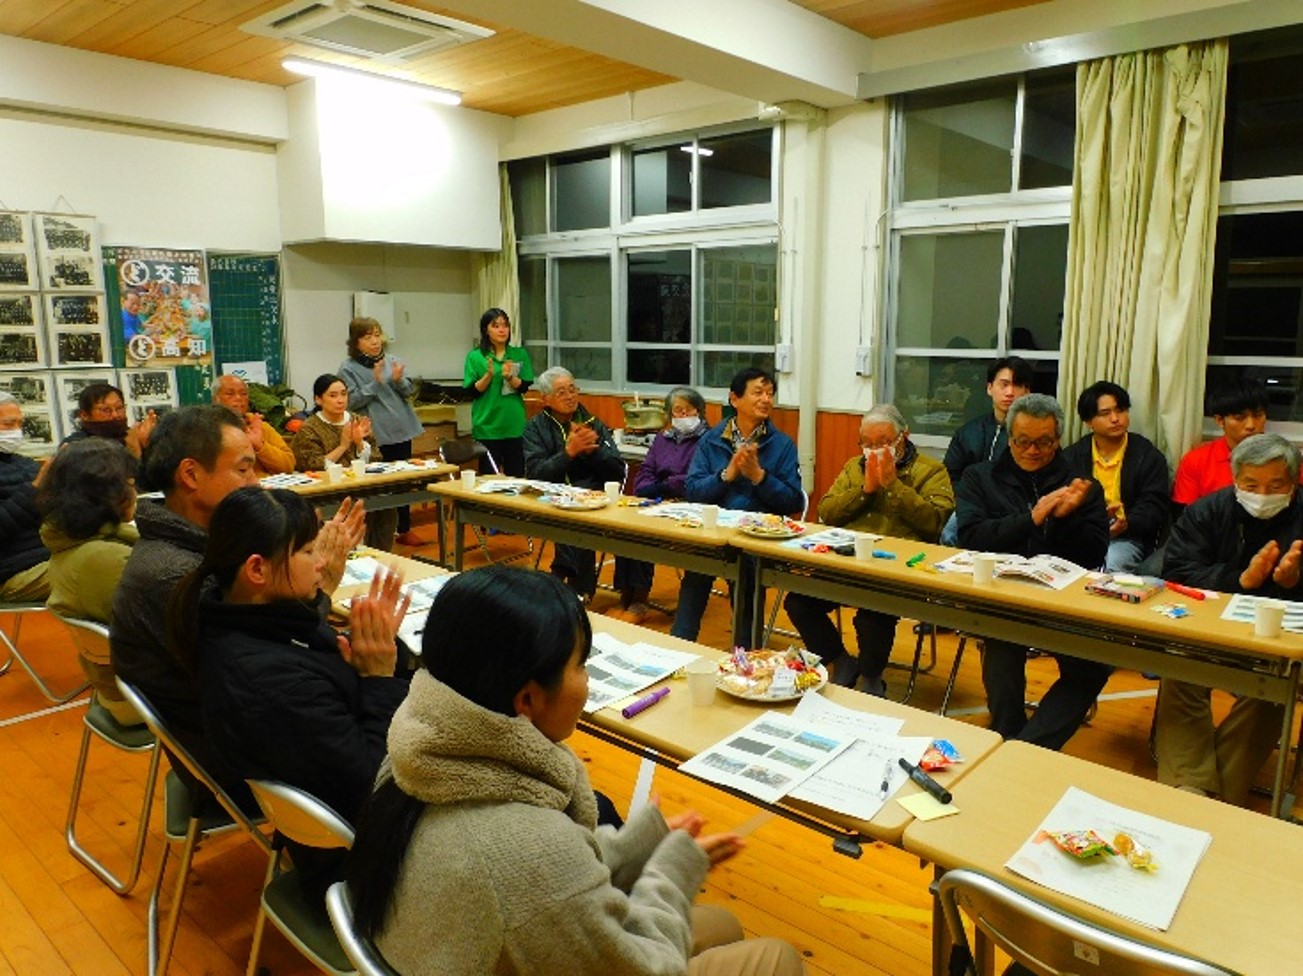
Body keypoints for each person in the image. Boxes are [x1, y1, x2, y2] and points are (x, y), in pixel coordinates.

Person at [347, 565, 806, 976]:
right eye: (581, 666)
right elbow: (649, 964)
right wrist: (671, 871)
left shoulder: (414, 755)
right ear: (528, 699)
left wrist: (639, 845)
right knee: (776, 957)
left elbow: (545, 882)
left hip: (451, 949)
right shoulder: (525, 846)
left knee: (720, 924)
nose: (587, 680)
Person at [168, 487, 412, 888]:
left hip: (347, 810)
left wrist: (369, 660)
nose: (322, 562)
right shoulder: (266, 681)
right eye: (309, 551)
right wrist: (379, 678)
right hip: (368, 859)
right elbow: (373, 780)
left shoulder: (240, 618)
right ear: (257, 570)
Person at [955, 393, 1110, 749]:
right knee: (1001, 648)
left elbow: (1094, 553)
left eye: (1044, 442)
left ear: (1058, 439)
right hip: (1002, 597)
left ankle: (1027, 748)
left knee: (1093, 666)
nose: (1033, 451)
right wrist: (1031, 518)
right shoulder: (980, 477)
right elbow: (972, 537)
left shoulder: (1082, 485)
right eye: (1023, 441)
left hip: (1063, 602)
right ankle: (1008, 731)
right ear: (1010, 437)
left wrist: (1065, 519)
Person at [1156, 433, 1300, 805]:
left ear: (1294, 482)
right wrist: (1240, 580)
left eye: (1275, 486)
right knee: (1180, 669)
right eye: (1251, 485)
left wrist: (1293, 583)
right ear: (1235, 480)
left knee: (1273, 688)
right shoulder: (1207, 511)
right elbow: (1177, 571)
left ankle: (1212, 800)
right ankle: (1190, 788)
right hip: (1212, 630)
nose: (1262, 495)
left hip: (1282, 643)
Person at [784, 405, 954, 694]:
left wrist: (893, 485)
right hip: (847, 564)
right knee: (799, 602)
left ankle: (872, 678)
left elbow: (935, 522)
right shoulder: (855, 467)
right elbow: (827, 511)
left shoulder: (931, 471)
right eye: (868, 443)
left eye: (884, 442)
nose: (875, 450)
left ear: (903, 437)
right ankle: (840, 660)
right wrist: (865, 491)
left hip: (897, 572)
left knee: (872, 616)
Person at [674, 367, 802, 645]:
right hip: (714, 535)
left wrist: (760, 477)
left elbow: (794, 501)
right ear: (734, 399)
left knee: (747, 573)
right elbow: (693, 491)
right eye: (758, 392)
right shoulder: (711, 440)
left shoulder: (782, 445)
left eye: (770, 393)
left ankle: (745, 652)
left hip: (756, 540)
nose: (766, 399)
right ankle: (679, 646)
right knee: (696, 570)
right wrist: (726, 476)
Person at [37, 439, 140, 725]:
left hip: (123, 689)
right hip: (142, 700)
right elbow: (173, 627)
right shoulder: (103, 558)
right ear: (105, 496)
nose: (135, 493)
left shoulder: (73, 540)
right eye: (129, 484)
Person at [523, 367, 642, 599]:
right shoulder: (534, 429)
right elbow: (536, 474)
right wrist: (568, 453)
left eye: (572, 389)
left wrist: (593, 451)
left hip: (595, 498)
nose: (570, 396)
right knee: (573, 519)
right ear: (546, 399)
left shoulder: (593, 424)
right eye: (561, 392)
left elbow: (618, 471)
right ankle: (578, 587)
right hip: (550, 499)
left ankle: (568, 577)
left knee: (593, 519)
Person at [611, 386, 710, 623]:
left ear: (699, 411)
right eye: (678, 410)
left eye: (689, 410)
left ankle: (639, 598)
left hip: (690, 504)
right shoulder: (662, 439)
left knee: (645, 532)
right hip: (657, 500)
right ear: (669, 414)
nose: (683, 415)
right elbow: (645, 472)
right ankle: (626, 594)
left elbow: (694, 478)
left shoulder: (708, 440)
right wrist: (651, 488)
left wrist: (663, 486)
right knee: (625, 527)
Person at [1062, 381, 1170, 573]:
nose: (1115, 419)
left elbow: (1154, 505)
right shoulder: (1072, 456)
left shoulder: (1148, 456)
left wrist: (1127, 522)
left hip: (1128, 535)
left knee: (1111, 565)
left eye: (1120, 410)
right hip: (1084, 533)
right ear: (1088, 421)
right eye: (1105, 413)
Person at [339, 317, 425, 546]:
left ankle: (404, 528)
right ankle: (376, 533)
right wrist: (376, 383)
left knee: (403, 481)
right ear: (356, 342)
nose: (375, 341)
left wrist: (398, 381)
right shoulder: (347, 368)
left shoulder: (392, 361)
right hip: (375, 435)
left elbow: (409, 392)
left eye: (377, 335)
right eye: (368, 337)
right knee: (378, 484)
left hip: (401, 430)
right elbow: (351, 401)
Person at [292, 374, 396, 551]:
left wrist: (360, 443)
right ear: (318, 399)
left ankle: (379, 553)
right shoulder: (309, 427)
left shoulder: (357, 420)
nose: (340, 400)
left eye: (343, 394)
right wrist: (343, 445)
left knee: (387, 503)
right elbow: (310, 465)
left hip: (362, 486)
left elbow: (376, 458)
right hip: (328, 492)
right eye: (333, 395)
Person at [939, 357, 1032, 546]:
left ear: (1027, 392)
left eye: (1017, 386)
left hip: (1014, 508)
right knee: (949, 535)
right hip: (971, 502)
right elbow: (950, 475)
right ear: (990, 388)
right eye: (1003, 384)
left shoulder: (1034, 437)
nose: (1010, 392)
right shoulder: (968, 432)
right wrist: (969, 499)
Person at [1172, 379, 1274, 513]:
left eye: (1258, 416)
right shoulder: (1197, 461)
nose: (1251, 425)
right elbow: (1184, 514)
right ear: (1220, 420)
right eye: (1240, 418)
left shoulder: (1284, 458)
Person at [463, 307, 534, 476]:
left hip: (514, 425)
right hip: (487, 427)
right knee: (490, 479)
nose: (502, 330)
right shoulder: (475, 356)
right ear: (485, 330)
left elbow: (524, 387)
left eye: (505, 325)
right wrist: (488, 375)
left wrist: (510, 377)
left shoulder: (519, 354)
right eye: (495, 326)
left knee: (516, 477)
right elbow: (472, 392)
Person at [0, 393, 50, 603]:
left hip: (51, 554)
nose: (16, 431)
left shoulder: (26, 464)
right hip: (12, 571)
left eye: (20, 424)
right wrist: (34, 489)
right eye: (8, 424)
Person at [212, 374, 295, 477]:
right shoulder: (208, 428)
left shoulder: (259, 426)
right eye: (230, 394)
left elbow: (288, 466)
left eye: (243, 394)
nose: (238, 398)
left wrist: (260, 446)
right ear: (215, 399)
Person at [61, 381, 155, 459]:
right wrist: (133, 451)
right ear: (84, 415)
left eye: (119, 408)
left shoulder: (133, 436)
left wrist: (148, 444)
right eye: (106, 410)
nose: (115, 415)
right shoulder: (76, 445)